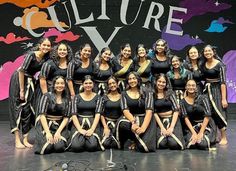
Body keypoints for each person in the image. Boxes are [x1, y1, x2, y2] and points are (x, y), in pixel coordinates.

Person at [9, 37, 51, 148]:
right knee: (17, 107)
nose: (46, 47)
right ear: (40, 45)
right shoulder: (31, 55)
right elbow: (22, 71)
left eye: (48, 46)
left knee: (28, 110)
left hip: (30, 81)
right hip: (19, 80)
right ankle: (17, 139)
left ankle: (26, 138)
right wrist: (22, 90)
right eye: (44, 45)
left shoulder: (46, 58)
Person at [116, 72, 156, 152]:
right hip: (131, 118)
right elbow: (125, 110)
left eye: (134, 78)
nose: (132, 81)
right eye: (130, 79)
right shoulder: (124, 93)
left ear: (138, 79)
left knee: (146, 148)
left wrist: (143, 128)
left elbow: (149, 111)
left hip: (145, 118)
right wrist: (134, 123)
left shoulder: (147, 92)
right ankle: (133, 140)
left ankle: (137, 142)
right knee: (123, 124)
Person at [34, 76, 70, 154]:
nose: (59, 85)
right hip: (46, 124)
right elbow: (42, 115)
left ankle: (56, 140)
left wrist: (58, 132)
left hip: (59, 125)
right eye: (57, 83)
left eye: (62, 83)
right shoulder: (46, 96)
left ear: (65, 85)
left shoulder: (67, 99)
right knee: (47, 148)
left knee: (59, 147)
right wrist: (48, 133)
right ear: (53, 85)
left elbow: (66, 118)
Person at [201, 45, 228, 145]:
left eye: (209, 51)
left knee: (219, 112)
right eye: (205, 51)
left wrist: (224, 98)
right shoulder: (203, 64)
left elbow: (223, 82)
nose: (207, 53)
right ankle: (214, 135)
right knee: (209, 112)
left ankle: (224, 136)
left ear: (213, 52)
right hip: (207, 90)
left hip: (217, 90)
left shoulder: (220, 65)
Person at [69, 75, 104, 152]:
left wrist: (92, 129)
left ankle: (86, 140)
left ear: (93, 84)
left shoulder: (98, 97)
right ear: (82, 84)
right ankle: (81, 140)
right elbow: (74, 115)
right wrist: (80, 129)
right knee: (76, 147)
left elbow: (98, 114)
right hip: (79, 122)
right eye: (86, 83)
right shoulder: (76, 97)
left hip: (92, 122)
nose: (88, 85)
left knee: (92, 146)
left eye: (90, 83)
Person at [180, 79, 216, 150]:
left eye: (193, 85)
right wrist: (194, 133)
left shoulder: (203, 98)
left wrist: (201, 133)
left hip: (205, 125)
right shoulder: (182, 102)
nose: (191, 87)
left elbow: (207, 115)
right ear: (186, 87)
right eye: (189, 85)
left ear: (196, 87)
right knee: (192, 144)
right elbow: (185, 118)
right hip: (192, 127)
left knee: (202, 144)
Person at [154, 74, 185, 150]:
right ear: (156, 81)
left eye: (163, 82)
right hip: (160, 121)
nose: (161, 84)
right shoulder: (152, 94)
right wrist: (162, 128)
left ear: (166, 83)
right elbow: (154, 113)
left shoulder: (170, 93)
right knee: (161, 144)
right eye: (159, 81)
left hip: (173, 120)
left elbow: (176, 110)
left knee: (174, 144)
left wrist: (171, 127)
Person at [100, 76, 122, 149]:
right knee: (105, 144)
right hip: (107, 123)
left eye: (114, 83)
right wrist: (105, 127)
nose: (112, 85)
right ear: (108, 86)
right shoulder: (104, 97)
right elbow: (101, 114)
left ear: (117, 83)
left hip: (119, 124)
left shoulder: (123, 97)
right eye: (110, 84)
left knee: (117, 145)